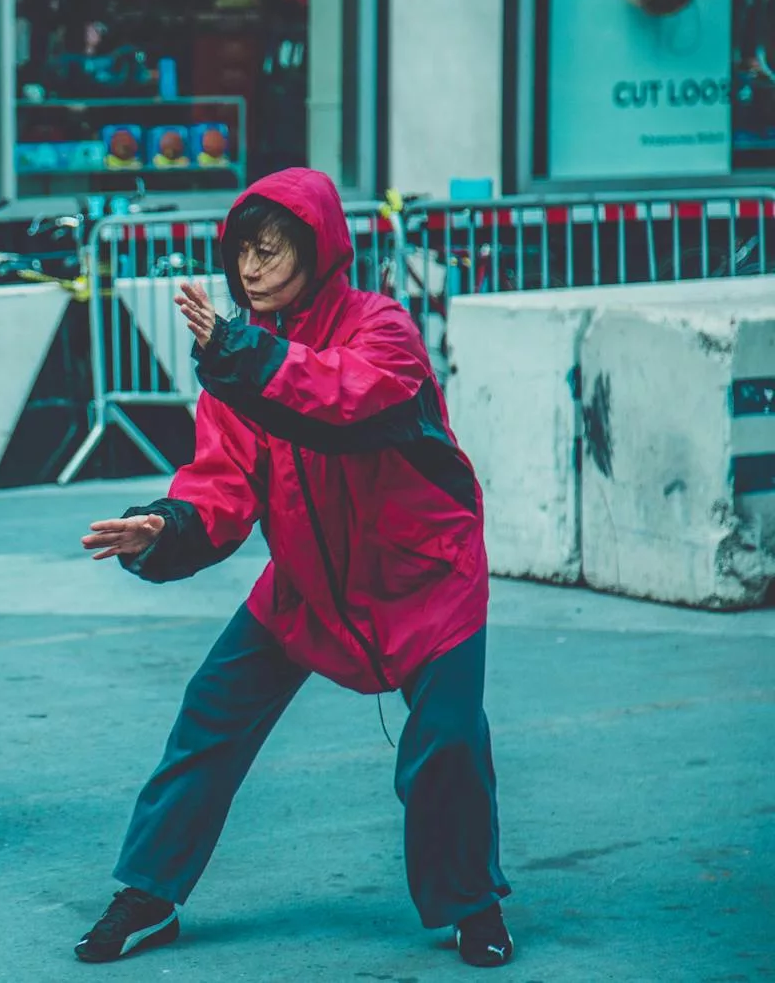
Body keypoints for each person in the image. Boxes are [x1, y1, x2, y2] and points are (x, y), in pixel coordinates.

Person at [73, 168, 514, 968]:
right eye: (242, 248)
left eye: (271, 246)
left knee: (446, 742)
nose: (252, 264)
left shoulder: (379, 327)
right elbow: (221, 489)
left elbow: (347, 403)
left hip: (427, 578)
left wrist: (239, 350)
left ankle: (471, 904)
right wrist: (161, 526)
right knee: (212, 710)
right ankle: (149, 892)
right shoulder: (233, 363)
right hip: (311, 583)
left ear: (320, 248)